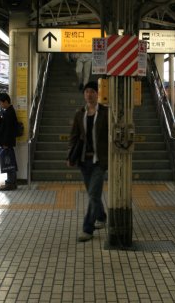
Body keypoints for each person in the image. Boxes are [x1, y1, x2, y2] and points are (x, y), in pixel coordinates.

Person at [67, 81, 108, 242]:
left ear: (97, 93)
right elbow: (74, 136)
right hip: (84, 160)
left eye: (92, 91)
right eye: (86, 92)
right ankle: (102, 216)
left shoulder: (105, 113)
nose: (89, 94)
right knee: (94, 195)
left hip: (100, 161)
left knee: (92, 195)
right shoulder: (80, 113)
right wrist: (70, 156)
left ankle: (87, 229)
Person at [0, 92, 20, 191]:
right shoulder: (8, 111)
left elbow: (8, 129)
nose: (0, 105)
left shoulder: (9, 112)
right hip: (8, 142)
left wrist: (5, 143)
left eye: (0, 103)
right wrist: (0, 120)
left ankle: (11, 183)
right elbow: (6, 125)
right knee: (9, 162)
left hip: (7, 142)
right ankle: (11, 182)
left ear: (5, 102)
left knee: (9, 163)